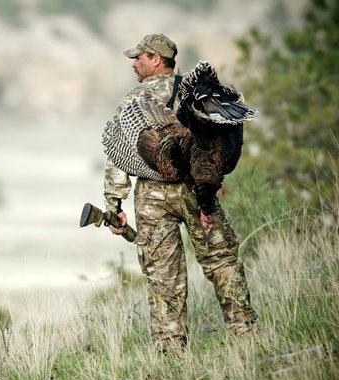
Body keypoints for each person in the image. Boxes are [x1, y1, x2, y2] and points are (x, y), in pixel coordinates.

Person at [103, 34, 257, 353]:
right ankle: (244, 333)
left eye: (140, 57)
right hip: (197, 186)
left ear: (157, 59)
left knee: (162, 273)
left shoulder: (134, 98)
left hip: (152, 196)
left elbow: (118, 157)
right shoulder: (198, 95)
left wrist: (114, 203)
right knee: (221, 260)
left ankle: (170, 348)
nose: (135, 63)